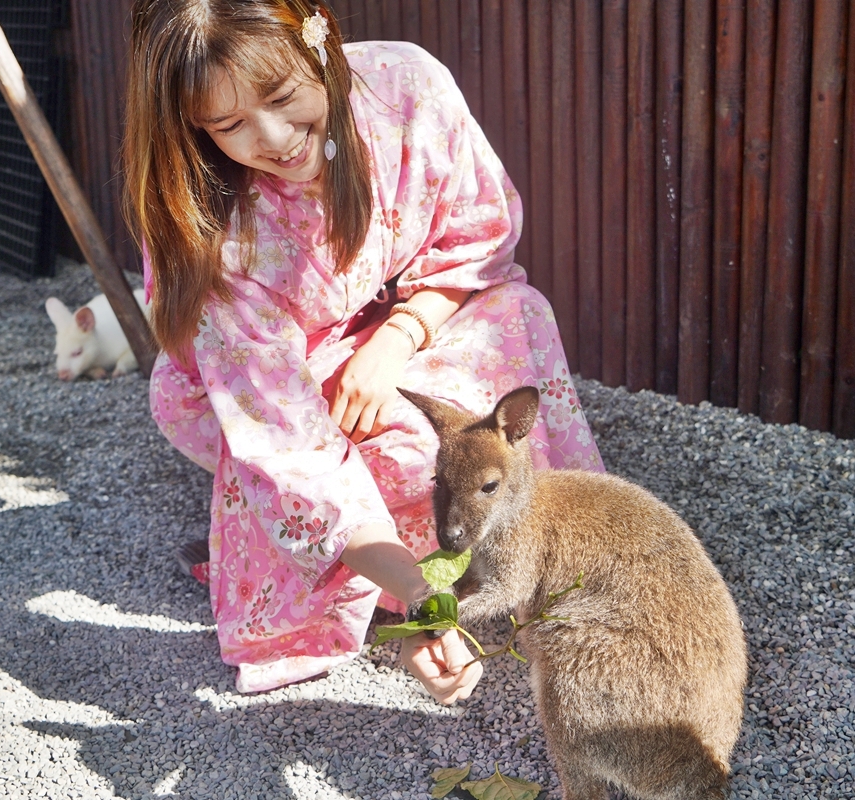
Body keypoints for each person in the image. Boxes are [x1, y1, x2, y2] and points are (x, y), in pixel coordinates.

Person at [122, 0, 604, 701]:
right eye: (228, 125)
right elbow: (289, 441)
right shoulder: (216, 234)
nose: (277, 138)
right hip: (272, 380)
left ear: (318, 41)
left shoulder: (407, 89)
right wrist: (415, 598)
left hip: (392, 320)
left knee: (518, 318)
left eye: (285, 97)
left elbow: (477, 239)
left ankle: (534, 539)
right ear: (191, 126)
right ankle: (400, 569)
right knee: (400, 449)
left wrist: (397, 338)